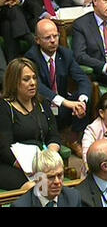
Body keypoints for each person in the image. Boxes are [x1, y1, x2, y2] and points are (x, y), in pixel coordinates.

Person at [25, 19, 91, 158]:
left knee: (85, 96)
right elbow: (38, 87)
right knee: (49, 104)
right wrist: (65, 102)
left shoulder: (65, 54)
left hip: (62, 106)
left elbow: (83, 78)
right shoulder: (31, 57)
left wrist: (81, 101)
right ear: (37, 40)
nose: (53, 40)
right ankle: (58, 136)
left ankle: (73, 138)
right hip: (43, 105)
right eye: (48, 37)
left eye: (55, 36)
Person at [0, 58, 60, 190]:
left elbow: (54, 136)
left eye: (34, 78)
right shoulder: (4, 107)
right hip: (12, 165)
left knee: (55, 183)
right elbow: (4, 149)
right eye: (26, 79)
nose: (32, 83)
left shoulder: (42, 103)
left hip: (42, 163)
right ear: (14, 82)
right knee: (37, 187)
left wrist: (49, 158)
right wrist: (31, 167)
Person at [11, 149, 81, 207]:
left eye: (59, 175)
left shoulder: (73, 198)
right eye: (50, 177)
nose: (57, 182)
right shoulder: (21, 205)